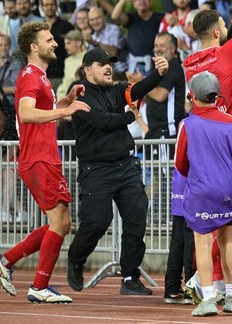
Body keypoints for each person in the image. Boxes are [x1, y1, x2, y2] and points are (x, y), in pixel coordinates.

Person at [0, 22, 90, 304]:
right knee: (60, 222)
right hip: (39, 157)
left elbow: (39, 112)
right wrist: (66, 110)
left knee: (62, 222)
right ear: (34, 47)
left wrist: (65, 101)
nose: (55, 43)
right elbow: (27, 114)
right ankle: (39, 285)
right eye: (49, 39)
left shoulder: (40, 77)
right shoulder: (32, 75)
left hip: (43, 157)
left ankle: (6, 261)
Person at [65, 49, 170, 295]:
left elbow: (139, 89)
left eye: (109, 63)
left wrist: (159, 73)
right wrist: (129, 117)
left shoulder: (115, 89)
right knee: (97, 222)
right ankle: (76, 259)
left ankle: (130, 277)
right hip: (96, 169)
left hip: (126, 166)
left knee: (136, 216)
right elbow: (101, 120)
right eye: (101, 64)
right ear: (87, 69)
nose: (108, 67)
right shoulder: (79, 92)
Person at [176, 72, 232, 317]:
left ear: (192, 96)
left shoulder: (187, 125)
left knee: (203, 242)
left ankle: (208, 298)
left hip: (201, 189)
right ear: (216, 96)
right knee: (229, 240)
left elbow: (180, 164)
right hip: (229, 189)